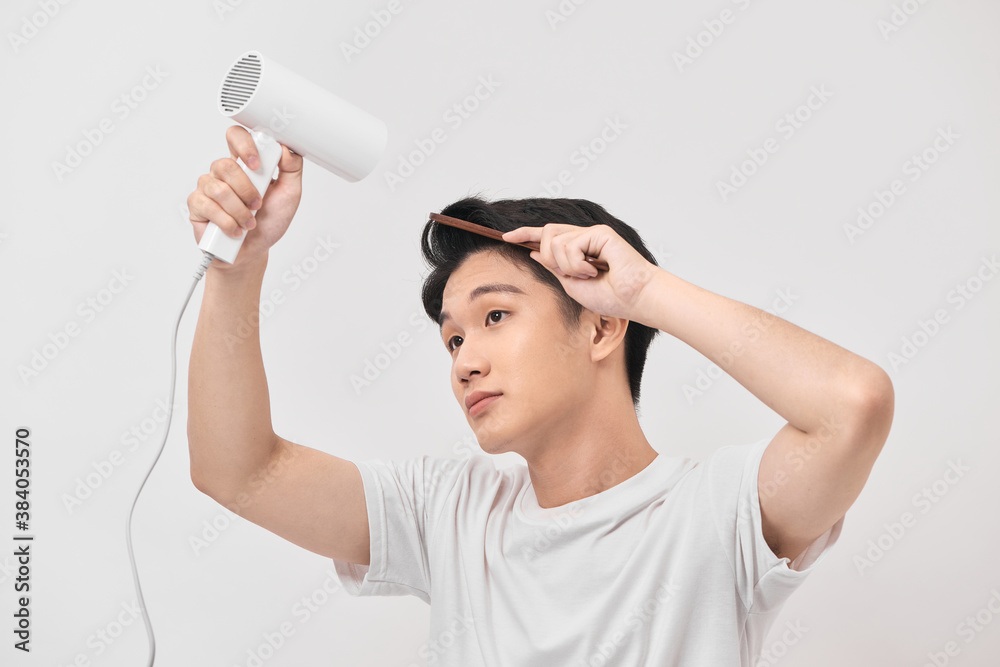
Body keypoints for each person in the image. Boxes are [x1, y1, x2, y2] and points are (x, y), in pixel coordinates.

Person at [186, 126, 894, 666]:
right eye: (454, 340)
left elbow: (852, 405)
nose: (465, 361)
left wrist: (646, 290)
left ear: (601, 326)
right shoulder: (449, 509)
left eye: (495, 317)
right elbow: (240, 470)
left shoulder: (720, 514)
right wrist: (237, 270)